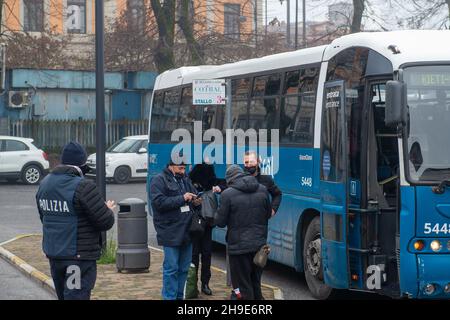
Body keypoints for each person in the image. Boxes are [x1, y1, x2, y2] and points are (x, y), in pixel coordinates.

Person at [35, 141, 115, 300]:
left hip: (55, 255)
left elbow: (44, 217)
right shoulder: (84, 186)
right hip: (77, 258)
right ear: (82, 163)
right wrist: (107, 209)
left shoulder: (44, 184)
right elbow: (105, 222)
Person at [215, 165, 272, 300]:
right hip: (259, 247)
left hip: (238, 249)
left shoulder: (227, 194)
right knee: (256, 284)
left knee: (242, 287)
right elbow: (268, 213)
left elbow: (220, 222)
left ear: (230, 180)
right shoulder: (263, 190)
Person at [149, 159, 201, 300]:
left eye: (184, 168)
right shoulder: (158, 180)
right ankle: (169, 297)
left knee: (184, 269)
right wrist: (182, 198)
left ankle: (179, 297)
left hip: (187, 230)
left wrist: (196, 201)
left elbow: (194, 195)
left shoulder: (185, 179)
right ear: (171, 166)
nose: (183, 171)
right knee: (171, 268)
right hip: (170, 230)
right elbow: (158, 203)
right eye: (180, 168)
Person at [188, 162, 224, 296]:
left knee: (203, 255)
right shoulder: (189, 185)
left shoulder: (211, 184)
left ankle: (203, 283)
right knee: (198, 255)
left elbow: (225, 184)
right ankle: (197, 284)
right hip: (195, 225)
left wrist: (218, 187)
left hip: (206, 225)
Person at [243, 151, 282, 217]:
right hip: (242, 221)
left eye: (251, 161)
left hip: (260, 222)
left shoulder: (266, 179)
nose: (249, 164)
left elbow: (277, 194)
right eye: (246, 162)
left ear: (258, 162)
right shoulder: (239, 178)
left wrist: (273, 210)